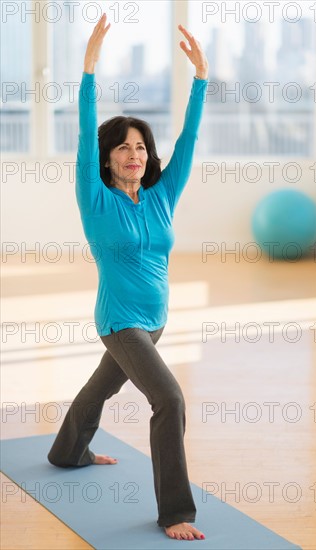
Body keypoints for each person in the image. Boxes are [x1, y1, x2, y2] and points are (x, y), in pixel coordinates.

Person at [47, 13, 209, 542]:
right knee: (171, 399)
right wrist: (90, 67)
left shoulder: (162, 197)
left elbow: (187, 142)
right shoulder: (95, 199)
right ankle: (175, 512)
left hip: (156, 321)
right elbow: (84, 122)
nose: (134, 154)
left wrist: (201, 80)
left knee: (100, 387)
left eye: (140, 146)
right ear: (107, 157)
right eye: (123, 147)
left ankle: (67, 451)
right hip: (120, 322)